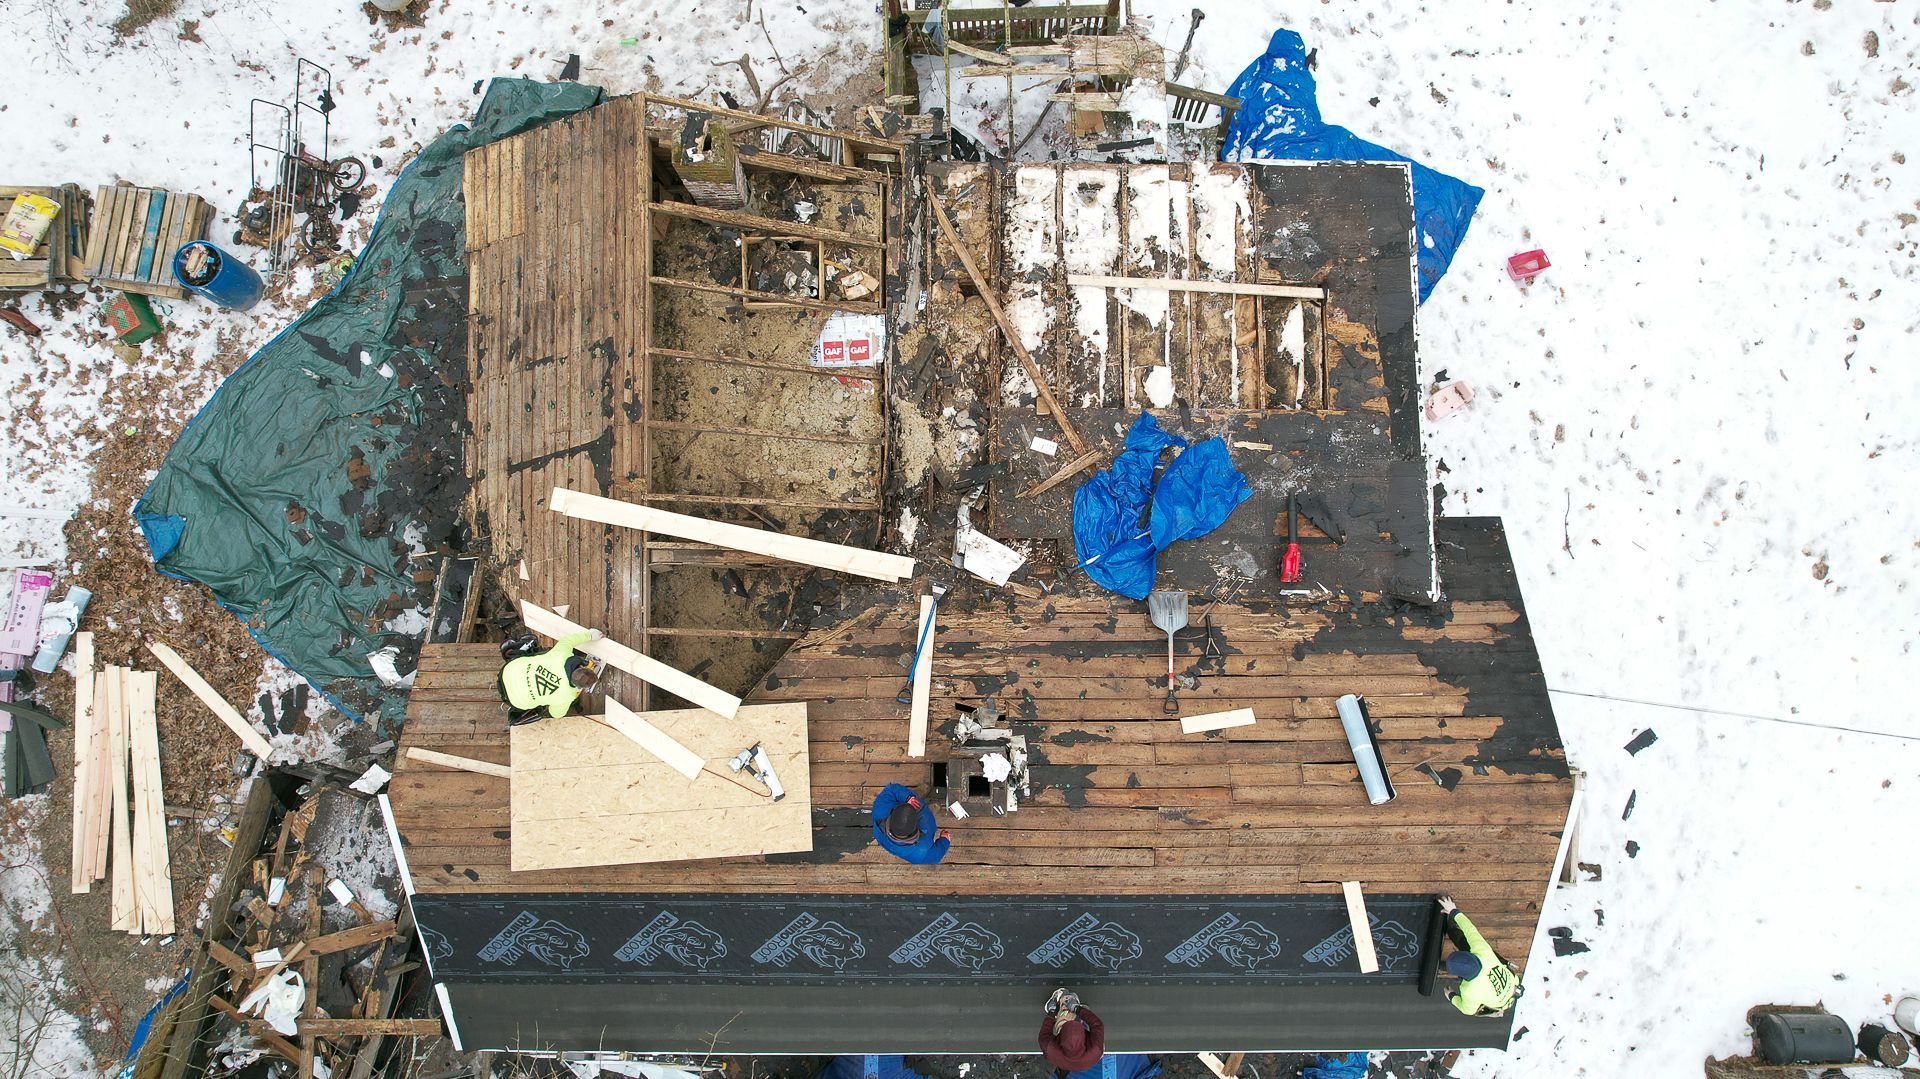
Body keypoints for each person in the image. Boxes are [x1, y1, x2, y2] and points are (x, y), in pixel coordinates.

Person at [1437, 894, 1519, 1016]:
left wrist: (1452, 996)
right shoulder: (1482, 950)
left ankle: (1441, 966)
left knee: (1479, 1011)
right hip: (1512, 983)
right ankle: (1452, 930)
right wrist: (1453, 911)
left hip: (1498, 1003)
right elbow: (1470, 930)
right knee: (1464, 939)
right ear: (1472, 955)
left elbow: (1469, 1011)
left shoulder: (1470, 991)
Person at [498, 629, 603, 724]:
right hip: (514, 700)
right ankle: (518, 717)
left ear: (581, 665)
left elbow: (569, 640)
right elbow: (556, 714)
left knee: (540, 654)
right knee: (541, 710)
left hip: (508, 671)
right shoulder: (567, 695)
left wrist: (590, 635)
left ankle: (514, 650)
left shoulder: (561, 653)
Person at [870, 783, 951, 865]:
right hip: (926, 820)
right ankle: (928, 810)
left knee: (912, 797)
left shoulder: (879, 810)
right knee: (926, 815)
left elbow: (891, 790)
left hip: (909, 801)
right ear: (916, 827)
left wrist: (907, 797)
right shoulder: (921, 854)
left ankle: (915, 794)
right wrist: (944, 841)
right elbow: (934, 857)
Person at [1039, 988, 1104, 1075]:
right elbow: (1097, 1024)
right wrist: (1077, 1009)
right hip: (1090, 1054)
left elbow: (1045, 1033)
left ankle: (1056, 1009)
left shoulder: (1050, 1050)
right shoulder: (1095, 1049)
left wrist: (1052, 1012)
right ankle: (1080, 1012)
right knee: (1098, 1040)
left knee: (1065, 1019)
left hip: (1065, 1055)